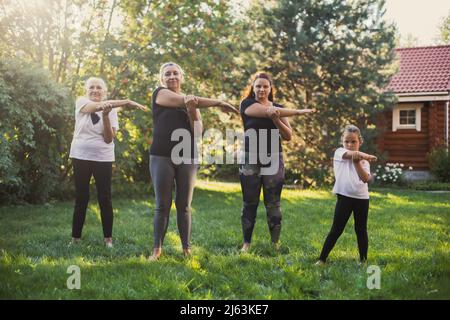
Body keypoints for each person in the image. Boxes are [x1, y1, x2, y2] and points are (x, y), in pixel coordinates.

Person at [149, 62, 238, 260]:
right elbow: (185, 100)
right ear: (162, 78)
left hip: (187, 155)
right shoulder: (160, 93)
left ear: (182, 77)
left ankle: (186, 249)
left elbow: (197, 132)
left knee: (184, 204)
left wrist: (191, 110)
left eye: (175, 73)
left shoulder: (192, 102)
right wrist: (218, 102)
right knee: (162, 204)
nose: (172, 76)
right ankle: (157, 250)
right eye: (167, 74)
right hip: (161, 155)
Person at [239, 72, 315, 252]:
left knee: (273, 203)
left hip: (274, 158)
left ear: (270, 88)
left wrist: (277, 119)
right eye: (258, 86)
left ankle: (274, 243)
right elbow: (266, 112)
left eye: (265, 86)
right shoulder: (247, 104)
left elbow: (288, 136)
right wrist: (297, 112)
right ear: (253, 88)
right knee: (249, 202)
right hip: (251, 157)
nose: (261, 89)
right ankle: (246, 243)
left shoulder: (279, 109)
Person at [69, 77, 147, 248]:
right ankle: (75, 239)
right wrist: (126, 101)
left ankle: (108, 240)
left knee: (105, 198)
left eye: (99, 87)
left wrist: (105, 115)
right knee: (81, 197)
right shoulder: (81, 102)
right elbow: (94, 107)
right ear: (86, 90)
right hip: (80, 155)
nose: (95, 90)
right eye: (92, 87)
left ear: (104, 92)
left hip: (103, 157)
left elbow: (108, 139)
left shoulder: (111, 111)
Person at [315, 124, 377, 265]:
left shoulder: (363, 161)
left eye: (353, 141)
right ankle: (322, 259)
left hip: (362, 198)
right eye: (346, 141)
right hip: (344, 197)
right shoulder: (339, 152)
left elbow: (365, 178)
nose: (349, 144)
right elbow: (350, 155)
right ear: (342, 142)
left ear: (360, 142)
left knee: (361, 230)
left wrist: (358, 162)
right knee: (336, 229)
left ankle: (363, 260)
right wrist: (365, 155)